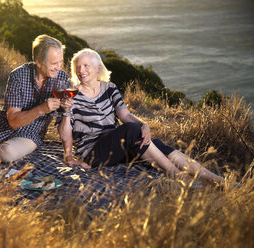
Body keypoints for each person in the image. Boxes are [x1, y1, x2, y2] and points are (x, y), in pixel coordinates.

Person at [58, 48, 225, 185]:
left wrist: (144, 124)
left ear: (98, 68)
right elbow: (64, 133)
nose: (81, 71)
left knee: (156, 144)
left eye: (86, 65)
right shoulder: (71, 95)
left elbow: (125, 115)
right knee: (131, 130)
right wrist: (66, 113)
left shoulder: (109, 88)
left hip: (118, 146)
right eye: (78, 67)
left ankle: (215, 180)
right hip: (94, 153)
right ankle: (179, 177)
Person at [0, 34, 72, 162]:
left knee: (7, 153)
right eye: (54, 63)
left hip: (31, 134)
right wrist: (41, 109)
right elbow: (13, 122)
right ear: (39, 62)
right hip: (2, 124)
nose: (59, 67)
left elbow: (63, 129)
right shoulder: (18, 75)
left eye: (60, 62)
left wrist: (67, 112)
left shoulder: (62, 79)